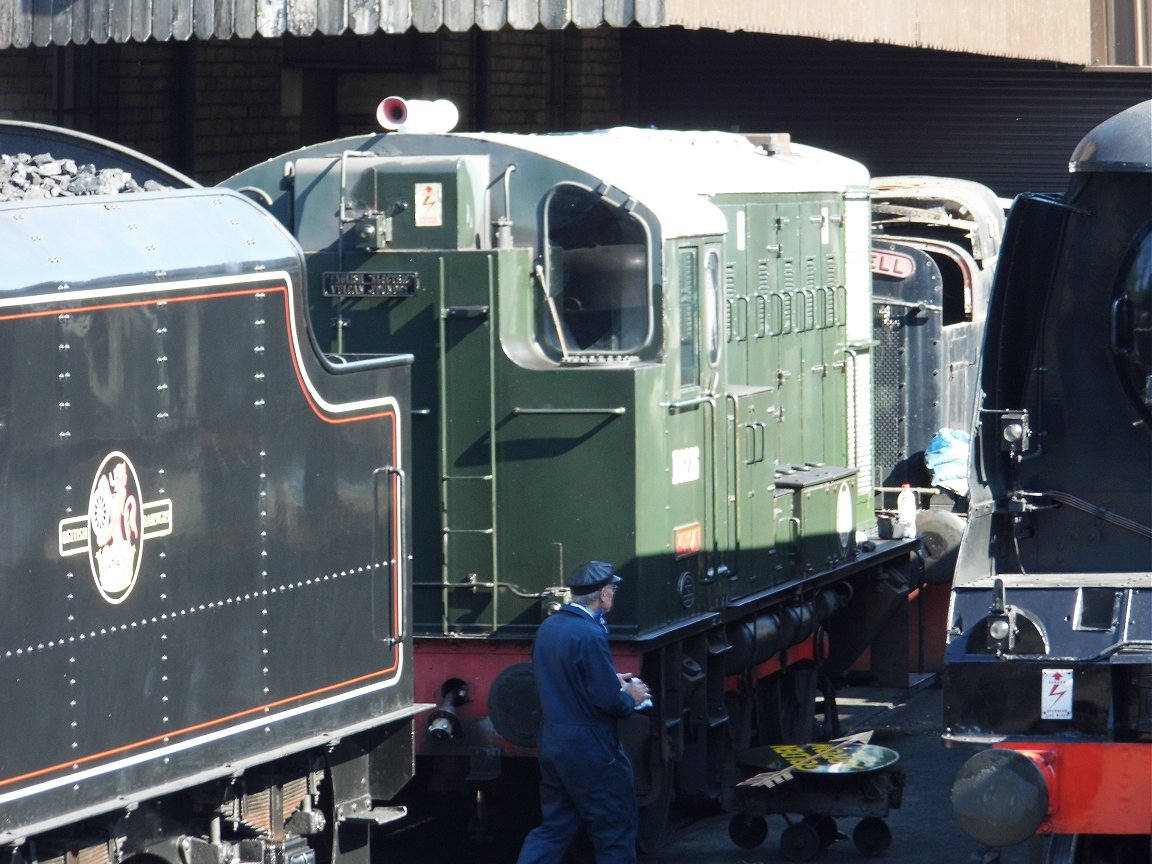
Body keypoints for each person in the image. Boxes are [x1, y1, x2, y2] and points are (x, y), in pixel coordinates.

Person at [516, 561, 652, 864]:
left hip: (553, 741)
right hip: (590, 747)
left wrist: (608, 678)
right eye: (612, 589)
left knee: (554, 828)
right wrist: (631, 696)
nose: (613, 594)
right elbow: (609, 702)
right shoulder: (590, 634)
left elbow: (563, 675)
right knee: (614, 829)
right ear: (603, 594)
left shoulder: (549, 627)